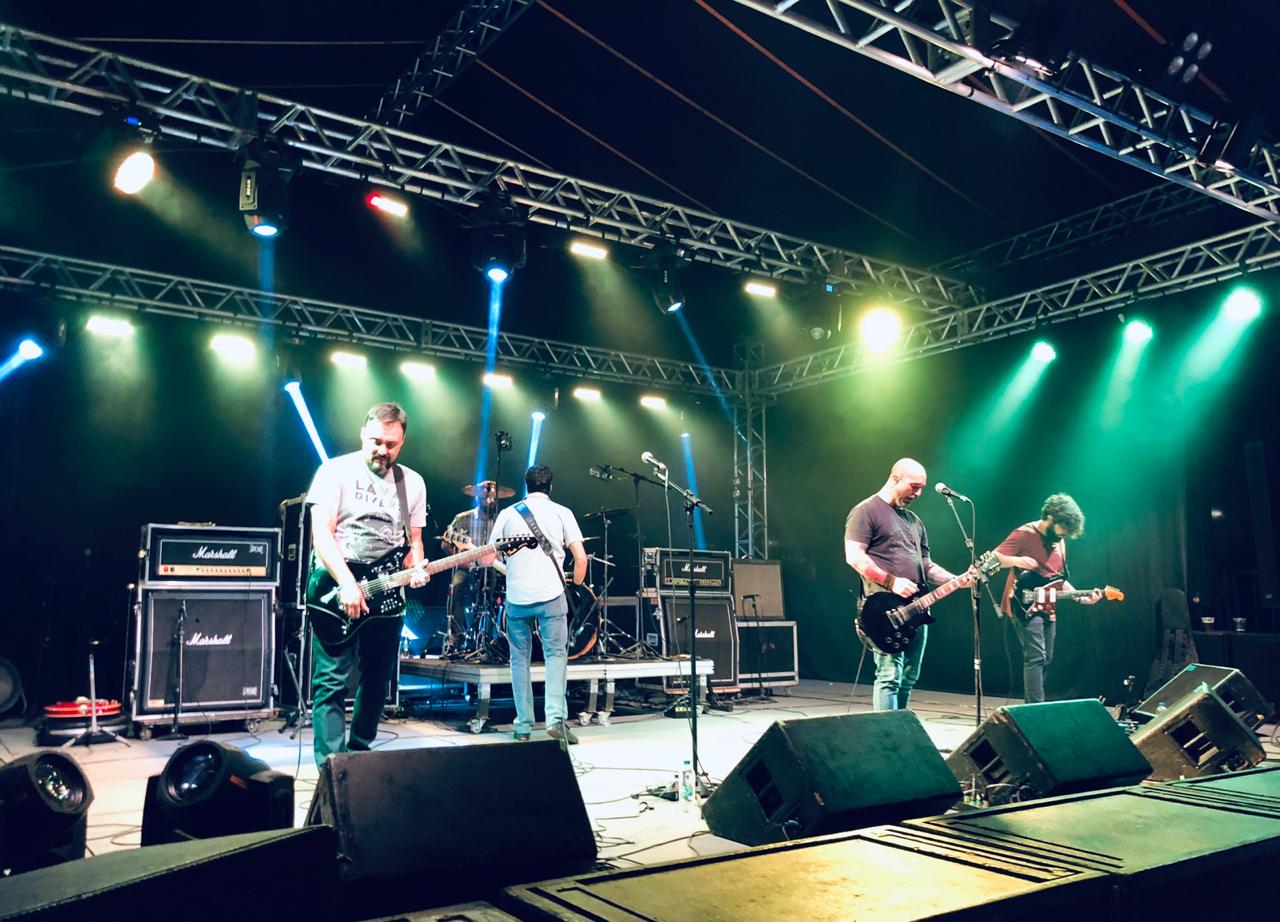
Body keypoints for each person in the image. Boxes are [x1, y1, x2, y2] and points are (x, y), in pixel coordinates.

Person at [307, 402, 428, 769]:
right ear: (363, 434)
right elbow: (321, 535)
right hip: (336, 583)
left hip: (387, 591)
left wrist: (416, 567)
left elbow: (414, 542)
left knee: (378, 680)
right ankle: (331, 768)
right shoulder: (335, 471)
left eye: (391, 444)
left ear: (402, 442)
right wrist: (347, 584)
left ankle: (359, 758)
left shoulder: (412, 483)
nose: (382, 450)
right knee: (331, 680)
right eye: (376, 441)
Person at [844, 458, 972, 711]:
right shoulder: (866, 511)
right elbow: (854, 557)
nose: (918, 493)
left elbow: (926, 566)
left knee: (909, 677)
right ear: (895, 479)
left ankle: (902, 727)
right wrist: (891, 582)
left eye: (921, 488)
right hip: (884, 610)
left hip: (916, 609)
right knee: (890, 676)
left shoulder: (914, 522)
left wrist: (956, 580)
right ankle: (888, 731)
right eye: (914, 487)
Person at [489, 464, 587, 743]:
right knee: (555, 656)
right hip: (551, 595)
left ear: (526, 485)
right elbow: (581, 558)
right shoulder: (562, 512)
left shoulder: (508, 514)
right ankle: (555, 720)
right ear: (550, 487)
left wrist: (509, 570)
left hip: (517, 598)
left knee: (519, 660)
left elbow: (487, 556)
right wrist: (575, 584)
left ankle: (523, 726)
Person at [994, 493, 1102, 703]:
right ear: (1051, 518)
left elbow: (1058, 579)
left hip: (1047, 605)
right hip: (1023, 603)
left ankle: (1031, 706)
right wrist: (1018, 561)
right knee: (1035, 657)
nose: (1064, 534)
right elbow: (994, 557)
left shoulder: (1059, 541)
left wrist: (1081, 598)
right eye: (1063, 528)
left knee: (1046, 658)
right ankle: (1036, 709)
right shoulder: (1025, 534)